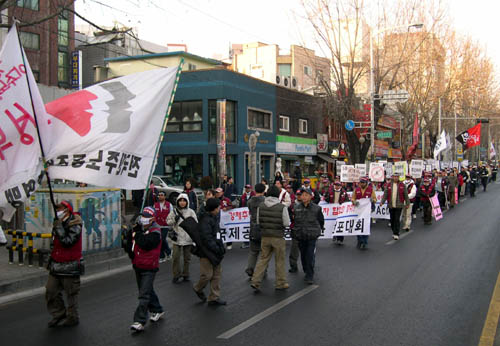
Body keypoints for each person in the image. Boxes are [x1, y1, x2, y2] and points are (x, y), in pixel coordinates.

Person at [46, 200, 83, 328]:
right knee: (51, 291)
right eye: (57, 209)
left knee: (71, 293)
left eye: (60, 208)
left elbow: (68, 241)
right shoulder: (58, 223)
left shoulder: (75, 224)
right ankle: (59, 313)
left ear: (67, 210)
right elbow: (54, 241)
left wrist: (59, 228)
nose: (58, 211)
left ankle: (72, 317)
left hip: (70, 264)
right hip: (56, 263)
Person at [129, 207, 164, 332]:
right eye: (142, 216)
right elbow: (132, 245)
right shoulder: (139, 228)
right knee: (147, 290)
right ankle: (157, 309)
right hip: (138, 265)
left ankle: (139, 320)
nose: (143, 219)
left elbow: (145, 244)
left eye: (146, 217)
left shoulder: (156, 231)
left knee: (143, 294)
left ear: (153, 219)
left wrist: (137, 233)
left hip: (150, 266)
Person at [251, 185, 291, 292]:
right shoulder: (282, 207)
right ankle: (280, 283)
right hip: (278, 236)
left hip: (265, 236)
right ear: (278, 195)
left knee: (263, 259)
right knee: (279, 260)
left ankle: (255, 281)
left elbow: (259, 222)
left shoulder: (261, 206)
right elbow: (286, 223)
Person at [193, 198, 227, 306]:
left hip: (216, 251)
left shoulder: (215, 218)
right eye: (218, 207)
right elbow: (207, 239)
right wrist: (217, 248)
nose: (219, 208)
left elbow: (217, 234)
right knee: (207, 275)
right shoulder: (205, 220)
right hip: (206, 253)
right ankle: (198, 288)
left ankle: (214, 297)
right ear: (213, 208)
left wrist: (221, 247)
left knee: (216, 275)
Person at [292, 188, 324, 284]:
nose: (304, 197)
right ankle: (306, 270)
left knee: (309, 255)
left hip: (311, 235)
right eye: (302, 195)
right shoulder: (296, 208)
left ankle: (309, 275)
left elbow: (321, 220)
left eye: (306, 195)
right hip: (300, 235)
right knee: (303, 255)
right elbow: (294, 221)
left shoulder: (317, 208)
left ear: (311, 196)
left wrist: (318, 229)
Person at [167, 194, 197, 283]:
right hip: (177, 238)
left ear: (187, 201)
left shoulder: (191, 212)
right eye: (180, 200)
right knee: (175, 257)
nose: (182, 202)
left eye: (184, 200)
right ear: (178, 201)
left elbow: (195, 223)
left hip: (188, 238)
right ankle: (176, 275)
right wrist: (174, 220)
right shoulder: (174, 212)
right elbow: (168, 221)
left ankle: (186, 274)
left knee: (187, 258)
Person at [245, 183, 266, 277]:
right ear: (264, 191)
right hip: (264, 227)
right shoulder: (265, 201)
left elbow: (249, 210)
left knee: (253, 251)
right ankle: (263, 270)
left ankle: (250, 268)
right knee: (264, 252)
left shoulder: (250, 201)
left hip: (253, 227)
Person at [380, 173, 410, 240]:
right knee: (392, 219)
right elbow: (385, 194)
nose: (396, 178)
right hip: (391, 205)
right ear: (392, 177)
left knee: (397, 219)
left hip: (399, 205)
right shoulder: (389, 185)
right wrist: (382, 202)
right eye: (394, 177)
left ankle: (396, 233)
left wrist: (407, 203)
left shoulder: (402, 185)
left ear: (398, 177)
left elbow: (406, 195)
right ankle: (394, 231)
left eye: (397, 177)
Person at [351, 177, 377, 249]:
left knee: (365, 225)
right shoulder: (356, 190)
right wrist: (354, 201)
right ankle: (359, 240)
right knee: (358, 225)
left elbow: (375, 199)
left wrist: (372, 200)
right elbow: (353, 198)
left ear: (366, 183)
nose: (362, 184)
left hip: (366, 211)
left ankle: (364, 242)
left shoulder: (371, 190)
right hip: (358, 210)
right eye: (361, 182)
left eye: (363, 183)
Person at [325, 179, 348, 245]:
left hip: (340, 210)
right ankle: (334, 235)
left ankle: (340, 239)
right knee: (333, 223)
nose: (337, 187)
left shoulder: (344, 192)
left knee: (340, 224)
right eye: (336, 185)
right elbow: (326, 198)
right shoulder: (330, 191)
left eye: (338, 185)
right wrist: (327, 198)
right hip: (332, 210)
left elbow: (347, 200)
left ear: (340, 186)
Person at [153, 191, 172, 263]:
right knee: (160, 240)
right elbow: (153, 215)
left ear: (165, 196)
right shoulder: (155, 205)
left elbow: (172, 214)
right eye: (159, 195)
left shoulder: (169, 205)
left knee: (161, 239)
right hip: (157, 226)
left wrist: (171, 224)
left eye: (162, 195)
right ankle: (167, 253)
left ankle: (162, 256)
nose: (160, 196)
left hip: (165, 226)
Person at [289, 189, 302, 273]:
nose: (299, 196)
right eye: (298, 195)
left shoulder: (308, 205)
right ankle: (293, 266)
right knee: (294, 250)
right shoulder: (292, 205)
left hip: (306, 230)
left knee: (307, 250)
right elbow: (290, 216)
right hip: (295, 229)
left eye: (301, 195)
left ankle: (309, 266)